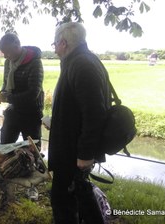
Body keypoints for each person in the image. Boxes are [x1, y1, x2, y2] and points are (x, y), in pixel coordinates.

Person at [48, 22, 111, 224]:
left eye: (55, 44)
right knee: (74, 198)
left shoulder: (81, 64)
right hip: (71, 148)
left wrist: (85, 154)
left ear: (64, 43)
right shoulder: (82, 60)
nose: (55, 49)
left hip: (72, 152)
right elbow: (76, 108)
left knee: (63, 201)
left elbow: (94, 113)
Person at [0, 33, 44, 147]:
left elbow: (33, 93)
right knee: (5, 146)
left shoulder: (35, 62)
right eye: (3, 53)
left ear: (17, 45)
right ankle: (8, 164)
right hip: (14, 110)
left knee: (32, 150)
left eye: (7, 52)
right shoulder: (8, 62)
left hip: (31, 112)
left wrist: (9, 98)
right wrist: (3, 92)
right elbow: (6, 82)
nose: (5, 56)